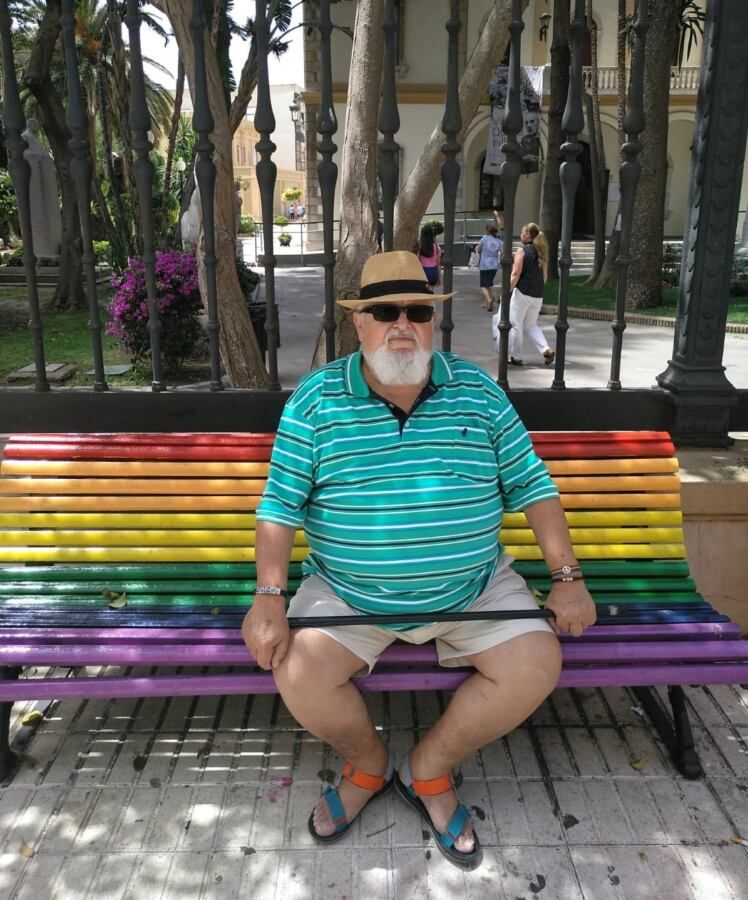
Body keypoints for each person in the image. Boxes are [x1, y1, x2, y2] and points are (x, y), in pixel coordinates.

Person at [241, 251, 596, 870]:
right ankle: (369, 766)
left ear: (432, 322)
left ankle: (429, 769)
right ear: (359, 324)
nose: (401, 324)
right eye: (384, 311)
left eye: (417, 311)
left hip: (473, 589)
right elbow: (279, 508)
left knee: (536, 660)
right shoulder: (316, 402)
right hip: (348, 593)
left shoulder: (479, 394)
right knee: (296, 670)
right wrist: (267, 599)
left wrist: (567, 579)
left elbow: (535, 488)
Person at [508, 222, 554, 366]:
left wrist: (506, 291)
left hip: (522, 292)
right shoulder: (542, 252)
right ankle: (546, 349)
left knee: (516, 325)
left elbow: (516, 273)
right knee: (531, 325)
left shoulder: (522, 251)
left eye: (522, 232)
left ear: (528, 235)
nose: (521, 234)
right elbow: (545, 277)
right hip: (537, 294)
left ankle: (517, 357)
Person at [475, 224, 502, 311]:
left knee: (483, 285)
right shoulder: (499, 241)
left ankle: (489, 299)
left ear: (487, 231)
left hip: (484, 264)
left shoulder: (484, 238)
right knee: (489, 284)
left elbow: (478, 249)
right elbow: (502, 252)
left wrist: (479, 250)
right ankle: (487, 303)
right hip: (494, 265)